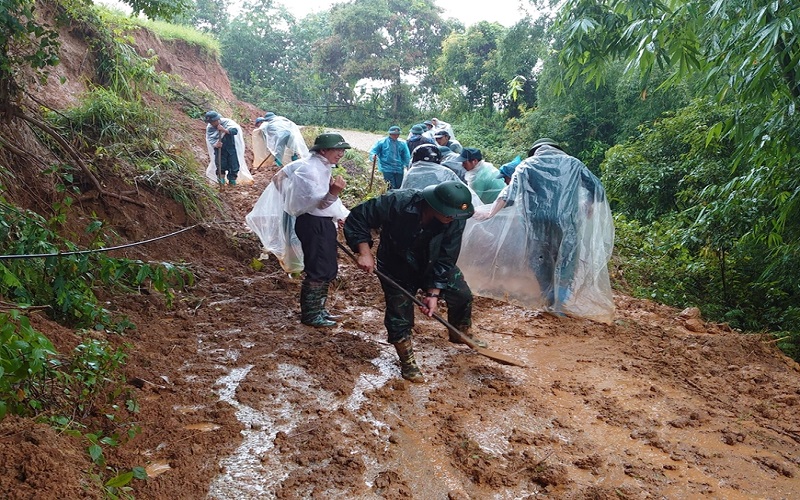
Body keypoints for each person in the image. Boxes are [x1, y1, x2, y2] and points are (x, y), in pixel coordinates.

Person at [344, 181, 486, 383]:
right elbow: (359, 217)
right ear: (435, 205)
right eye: (449, 214)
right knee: (399, 312)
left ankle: (459, 331)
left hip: (433, 261)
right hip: (396, 265)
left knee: (462, 294)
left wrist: (433, 293)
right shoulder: (396, 201)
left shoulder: (455, 217)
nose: (453, 219)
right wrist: (364, 252)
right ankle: (407, 360)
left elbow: (447, 255)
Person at [461, 138, 614, 322]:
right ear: (558, 150)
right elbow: (597, 188)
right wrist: (588, 204)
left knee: (540, 259)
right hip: (567, 222)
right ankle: (560, 301)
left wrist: (490, 212)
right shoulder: (574, 164)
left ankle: (549, 298)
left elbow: (509, 192)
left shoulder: (527, 165)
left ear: (535, 151)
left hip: (537, 223)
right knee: (566, 258)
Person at [269, 133, 350, 327]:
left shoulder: (319, 166)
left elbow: (280, 177)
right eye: (337, 149)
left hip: (320, 223)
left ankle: (319, 309)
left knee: (327, 267)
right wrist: (334, 192)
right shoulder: (310, 169)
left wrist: (337, 214)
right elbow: (319, 203)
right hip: (315, 225)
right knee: (319, 269)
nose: (340, 154)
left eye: (342, 150)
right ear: (323, 150)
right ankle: (311, 314)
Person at [401, 144, 483, 210]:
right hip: (443, 211)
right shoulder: (445, 172)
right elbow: (464, 191)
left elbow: (403, 195)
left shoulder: (410, 174)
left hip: (416, 211)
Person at [204, 110, 253, 186]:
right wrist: (216, 145)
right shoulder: (210, 128)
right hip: (220, 150)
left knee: (233, 166)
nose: (212, 124)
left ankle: (232, 183)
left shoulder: (227, 122)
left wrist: (224, 130)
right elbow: (211, 139)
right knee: (220, 166)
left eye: (213, 122)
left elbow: (235, 131)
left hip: (231, 149)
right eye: (210, 122)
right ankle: (221, 184)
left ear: (217, 119)